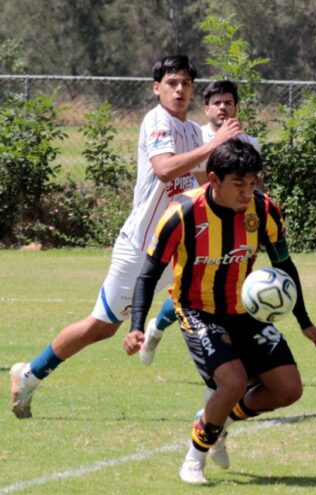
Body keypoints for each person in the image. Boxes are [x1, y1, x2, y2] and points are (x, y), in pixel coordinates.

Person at [9, 55, 243, 419]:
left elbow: (200, 185)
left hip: (176, 247)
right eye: (172, 83)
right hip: (140, 248)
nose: (179, 89)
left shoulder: (194, 132)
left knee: (208, 302)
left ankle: (227, 397)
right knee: (100, 327)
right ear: (157, 88)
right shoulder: (157, 121)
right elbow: (165, 169)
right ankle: (29, 375)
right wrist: (215, 146)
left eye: (185, 83)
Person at [123, 138, 316, 484]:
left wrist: (305, 323)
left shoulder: (264, 210)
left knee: (288, 389)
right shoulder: (182, 214)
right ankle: (194, 458)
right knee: (232, 382)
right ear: (213, 179)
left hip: (246, 311)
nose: (248, 191)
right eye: (239, 183)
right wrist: (136, 326)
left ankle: (216, 419)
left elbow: (285, 266)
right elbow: (147, 275)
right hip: (197, 309)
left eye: (252, 182)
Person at [139, 79, 261, 366]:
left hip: (237, 225)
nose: (223, 108)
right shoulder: (199, 139)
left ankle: (224, 358)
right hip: (198, 225)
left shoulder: (249, 142)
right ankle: (158, 327)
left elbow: (256, 188)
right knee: (196, 287)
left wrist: (258, 215)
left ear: (236, 107)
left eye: (228, 102)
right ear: (206, 109)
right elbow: (202, 185)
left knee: (225, 285)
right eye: (217, 103)